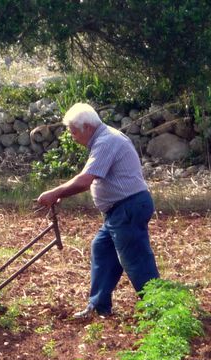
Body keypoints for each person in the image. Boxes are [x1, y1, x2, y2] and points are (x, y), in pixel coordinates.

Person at [36, 103, 160, 319]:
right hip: (120, 210)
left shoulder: (106, 141)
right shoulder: (105, 138)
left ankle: (160, 307)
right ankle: (98, 306)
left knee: (135, 259)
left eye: (74, 132)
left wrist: (55, 193)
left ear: (87, 127)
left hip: (128, 207)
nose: (73, 137)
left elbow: (85, 181)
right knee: (102, 248)